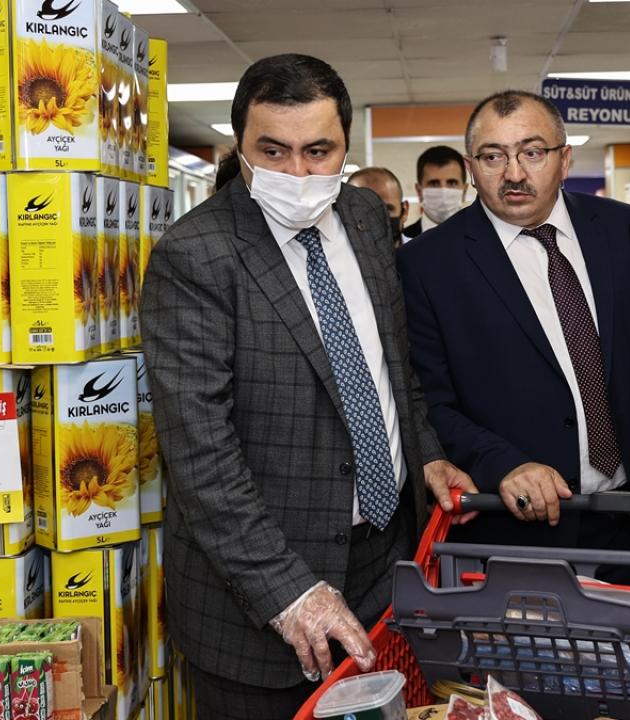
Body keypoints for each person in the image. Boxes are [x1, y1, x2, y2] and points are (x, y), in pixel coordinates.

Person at [140, 54, 476, 720]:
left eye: (319, 151)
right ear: (241, 148)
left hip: (384, 566)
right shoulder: (195, 254)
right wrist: (289, 592)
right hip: (261, 602)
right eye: (274, 151)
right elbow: (200, 452)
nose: (298, 174)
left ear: (346, 146)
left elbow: (393, 367)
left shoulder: (364, 218)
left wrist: (426, 452)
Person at [398, 90, 630, 570]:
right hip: (513, 532)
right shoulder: (427, 263)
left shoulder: (623, 228)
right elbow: (428, 401)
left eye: (532, 153)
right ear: (471, 167)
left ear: (564, 160)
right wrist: (502, 463)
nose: (514, 173)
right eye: (493, 157)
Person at [402, 145, 467, 240]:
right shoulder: (400, 242)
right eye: (434, 183)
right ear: (419, 191)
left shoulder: (485, 237)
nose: (443, 190)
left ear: (464, 191)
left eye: (451, 183)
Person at [348, 166, 409, 247]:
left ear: (405, 211)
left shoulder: (423, 252)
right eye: (362, 209)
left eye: (386, 209)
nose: (374, 218)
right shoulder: (333, 254)